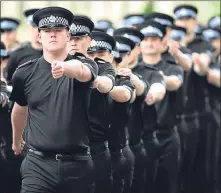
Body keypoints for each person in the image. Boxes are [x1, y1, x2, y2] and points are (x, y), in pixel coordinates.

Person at [10, 7, 98, 193]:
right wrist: (16, 140)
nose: (53, 35)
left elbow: (82, 72)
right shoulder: (24, 72)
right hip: (37, 165)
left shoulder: (85, 63)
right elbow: (19, 109)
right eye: (47, 31)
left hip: (78, 165)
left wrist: (65, 68)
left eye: (58, 30)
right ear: (39, 36)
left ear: (68, 35)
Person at [139, 20, 184, 193]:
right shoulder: (134, 69)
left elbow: (175, 83)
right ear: (139, 43)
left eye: (154, 39)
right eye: (146, 39)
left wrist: (159, 79)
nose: (150, 43)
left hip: (166, 136)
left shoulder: (171, 67)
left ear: (162, 42)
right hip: (141, 139)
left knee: (168, 186)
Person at [174, 5, 215, 193]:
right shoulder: (171, 43)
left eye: (187, 19)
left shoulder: (202, 44)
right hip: (175, 116)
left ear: (194, 22)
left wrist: (199, 61)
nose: (183, 23)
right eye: (180, 20)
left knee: (198, 167)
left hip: (197, 113)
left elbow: (203, 68)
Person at [4, 8, 43, 85]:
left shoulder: (56, 53)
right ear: (29, 27)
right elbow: (9, 83)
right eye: (34, 25)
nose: (38, 29)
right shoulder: (17, 55)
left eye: (42, 26)